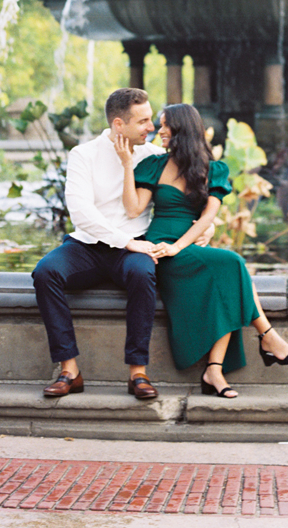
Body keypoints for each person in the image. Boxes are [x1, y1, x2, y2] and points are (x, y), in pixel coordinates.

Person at [32, 87, 211, 401]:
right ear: (119, 124)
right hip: (87, 246)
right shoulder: (83, 155)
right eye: (142, 121)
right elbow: (81, 212)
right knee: (45, 273)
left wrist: (206, 226)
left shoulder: (154, 156)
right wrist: (126, 242)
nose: (151, 127)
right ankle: (69, 370)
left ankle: (138, 373)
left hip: (136, 246)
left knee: (143, 274)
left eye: (150, 119)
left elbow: (189, 196)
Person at [116, 102, 288, 399]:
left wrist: (179, 246)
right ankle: (267, 337)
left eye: (165, 125)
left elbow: (207, 218)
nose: (159, 130)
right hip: (160, 248)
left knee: (229, 269)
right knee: (232, 264)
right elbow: (133, 209)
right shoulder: (154, 165)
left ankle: (215, 369)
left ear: (182, 129)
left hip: (183, 247)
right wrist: (127, 165)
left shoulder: (213, 169)